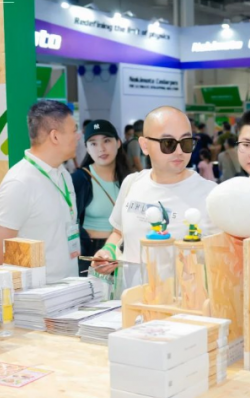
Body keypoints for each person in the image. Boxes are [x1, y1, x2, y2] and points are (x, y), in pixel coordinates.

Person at [92, 107, 220, 285]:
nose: (179, 151)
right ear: (145, 145)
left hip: (182, 300)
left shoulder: (212, 195)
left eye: (186, 142)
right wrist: (108, 251)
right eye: (168, 143)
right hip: (131, 297)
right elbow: (118, 232)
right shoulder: (132, 183)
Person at [0, 100, 80, 283]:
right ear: (55, 136)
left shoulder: (63, 174)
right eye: (74, 131)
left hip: (70, 289)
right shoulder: (19, 183)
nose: (78, 137)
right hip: (38, 296)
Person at [71, 119, 130, 274]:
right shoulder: (80, 179)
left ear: (118, 143)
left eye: (107, 141)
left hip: (124, 251)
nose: (101, 149)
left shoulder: (130, 179)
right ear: (87, 148)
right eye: (93, 143)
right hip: (93, 254)